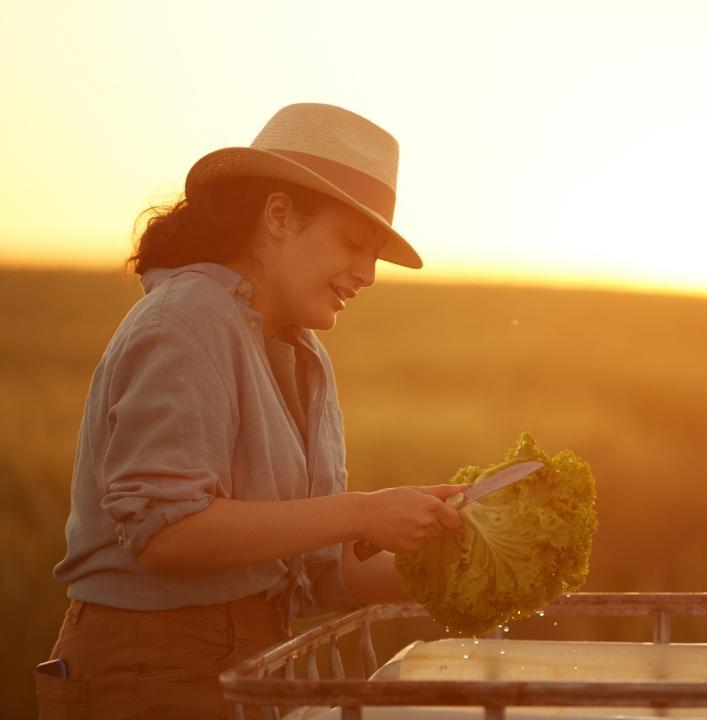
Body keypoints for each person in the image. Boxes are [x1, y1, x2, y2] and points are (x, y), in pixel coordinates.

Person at [35, 103, 466, 720]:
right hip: (149, 670)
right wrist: (363, 511)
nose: (369, 275)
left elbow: (313, 573)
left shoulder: (300, 352)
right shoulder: (187, 320)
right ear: (280, 216)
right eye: (354, 243)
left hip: (255, 663)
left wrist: (459, 559)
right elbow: (166, 531)